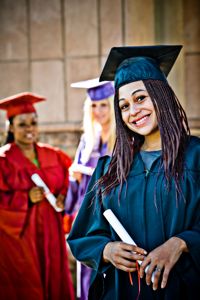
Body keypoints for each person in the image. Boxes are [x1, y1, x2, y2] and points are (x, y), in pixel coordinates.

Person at [67, 45, 200, 300]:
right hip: (125, 292)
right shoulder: (110, 169)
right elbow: (83, 236)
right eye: (124, 105)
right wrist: (107, 250)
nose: (133, 111)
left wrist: (182, 243)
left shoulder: (195, 156)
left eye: (140, 98)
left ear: (160, 96)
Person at [0, 92, 75, 300]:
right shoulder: (3, 160)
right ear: (11, 127)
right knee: (27, 284)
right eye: (22, 124)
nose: (29, 128)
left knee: (54, 278)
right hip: (20, 238)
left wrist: (63, 198)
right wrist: (24, 198)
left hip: (51, 231)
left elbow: (70, 185)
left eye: (33, 123)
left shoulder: (54, 155)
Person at [64, 78, 115, 300]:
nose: (99, 110)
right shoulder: (87, 139)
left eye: (104, 104)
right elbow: (75, 182)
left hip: (113, 213)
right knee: (86, 266)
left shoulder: (123, 138)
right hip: (88, 213)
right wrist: (74, 177)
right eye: (94, 105)